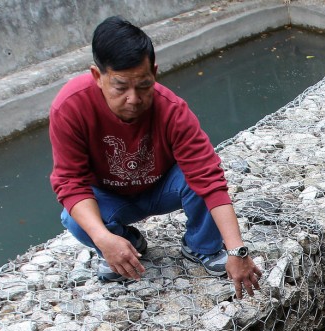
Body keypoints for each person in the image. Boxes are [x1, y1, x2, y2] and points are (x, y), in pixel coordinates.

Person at [49, 15, 262, 298]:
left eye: (144, 85)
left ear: (155, 73)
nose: (134, 99)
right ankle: (124, 242)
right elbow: (70, 182)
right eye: (121, 87)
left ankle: (202, 245)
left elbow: (209, 178)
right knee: (73, 218)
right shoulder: (70, 107)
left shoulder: (172, 109)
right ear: (98, 77)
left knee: (199, 177)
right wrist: (103, 239)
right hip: (110, 197)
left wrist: (237, 250)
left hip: (163, 187)